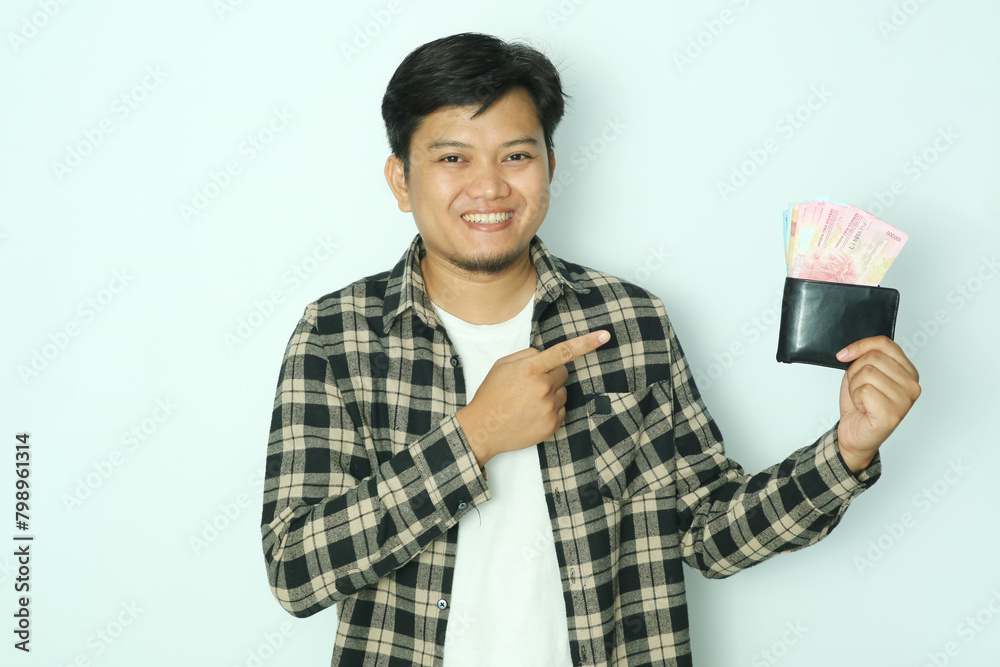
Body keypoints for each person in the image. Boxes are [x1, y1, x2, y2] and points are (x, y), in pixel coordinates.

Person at [260, 32, 920, 667]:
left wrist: (847, 451)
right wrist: (475, 435)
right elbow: (295, 570)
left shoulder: (631, 321)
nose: (489, 187)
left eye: (515, 156)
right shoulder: (337, 334)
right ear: (401, 180)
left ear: (550, 165)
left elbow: (708, 533)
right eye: (453, 158)